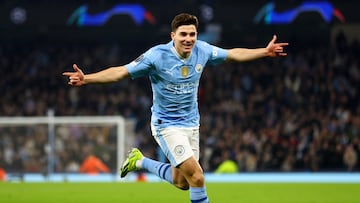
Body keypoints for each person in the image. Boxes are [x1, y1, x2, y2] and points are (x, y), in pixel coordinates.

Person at [63, 13, 288, 203]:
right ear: (173, 36)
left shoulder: (203, 50)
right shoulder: (155, 56)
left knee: (182, 183)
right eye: (183, 34)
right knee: (198, 178)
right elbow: (120, 72)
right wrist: (87, 79)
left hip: (191, 124)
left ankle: (139, 161)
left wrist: (264, 51)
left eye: (192, 34)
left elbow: (233, 54)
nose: (188, 39)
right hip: (166, 125)